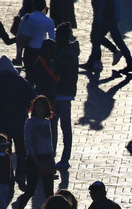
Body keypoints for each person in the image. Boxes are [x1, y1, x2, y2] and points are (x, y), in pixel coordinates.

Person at [0, 56, 37, 186]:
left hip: (1, 122)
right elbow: (32, 96)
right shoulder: (20, 81)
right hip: (20, 122)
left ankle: (8, 176)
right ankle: (20, 174)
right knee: (21, 151)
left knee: (4, 151)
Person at [14, 95, 55, 209]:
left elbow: (49, 143)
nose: (39, 109)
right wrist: (37, 162)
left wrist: (51, 159)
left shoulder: (47, 122)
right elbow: (29, 145)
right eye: (37, 106)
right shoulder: (30, 123)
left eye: (42, 106)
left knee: (49, 193)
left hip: (47, 158)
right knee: (30, 190)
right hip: (34, 160)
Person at [53, 22, 79, 169]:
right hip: (63, 93)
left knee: (63, 126)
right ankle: (56, 155)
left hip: (63, 93)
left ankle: (64, 158)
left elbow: (63, 73)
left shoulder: (67, 53)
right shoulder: (65, 50)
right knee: (57, 125)